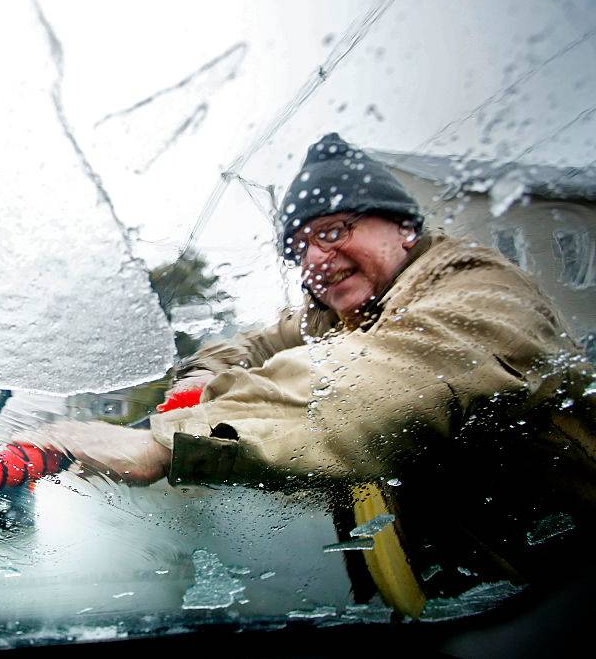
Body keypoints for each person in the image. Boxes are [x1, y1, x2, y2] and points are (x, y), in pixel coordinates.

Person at [30, 133, 596, 612]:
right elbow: (252, 343)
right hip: (448, 603)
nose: (315, 262)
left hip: (549, 598)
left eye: (332, 232)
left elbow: (374, 382)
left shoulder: (477, 292)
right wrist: (196, 380)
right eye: (299, 250)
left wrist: (167, 442)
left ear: (403, 227)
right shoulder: (342, 313)